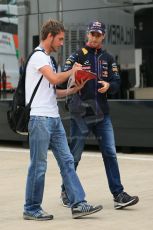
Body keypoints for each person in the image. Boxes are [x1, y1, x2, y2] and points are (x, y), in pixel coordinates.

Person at [23, 19, 102, 221]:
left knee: (67, 160)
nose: (61, 43)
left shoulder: (49, 60)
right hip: (39, 118)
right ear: (50, 36)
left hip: (53, 117)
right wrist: (73, 71)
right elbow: (55, 78)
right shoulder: (38, 57)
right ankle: (31, 208)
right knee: (39, 165)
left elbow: (53, 91)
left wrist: (73, 89)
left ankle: (78, 204)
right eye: (59, 39)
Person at [57, 21, 139, 209]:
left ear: (103, 36)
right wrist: (72, 72)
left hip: (102, 114)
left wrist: (110, 86)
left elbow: (118, 82)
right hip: (80, 114)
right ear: (87, 35)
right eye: (92, 34)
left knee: (110, 153)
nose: (94, 37)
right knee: (74, 155)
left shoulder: (109, 58)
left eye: (98, 34)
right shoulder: (77, 55)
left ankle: (118, 194)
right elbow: (62, 80)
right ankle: (66, 191)